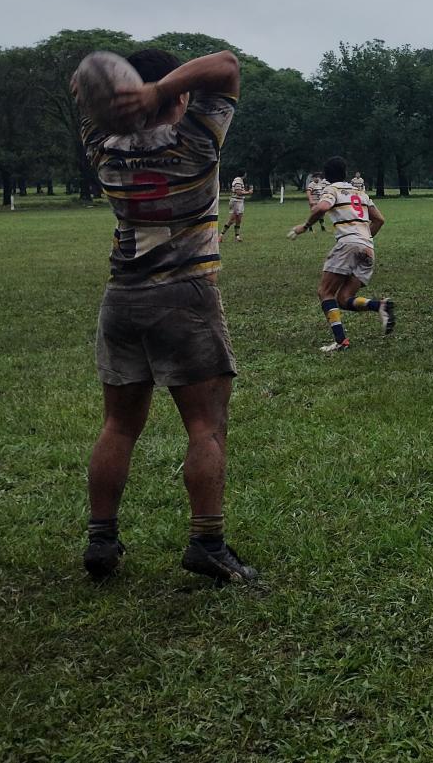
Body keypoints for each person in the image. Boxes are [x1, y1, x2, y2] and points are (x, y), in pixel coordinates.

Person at [77, 47, 257, 584]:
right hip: (186, 299)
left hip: (121, 299)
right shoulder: (196, 141)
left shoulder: (103, 147)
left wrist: (124, 93)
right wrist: (157, 91)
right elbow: (225, 64)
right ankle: (207, 541)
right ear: (177, 95)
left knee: (118, 425)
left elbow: (83, 84)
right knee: (206, 425)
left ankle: (101, 539)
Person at [290, 155, 394, 353]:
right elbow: (379, 219)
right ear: (346, 173)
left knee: (325, 292)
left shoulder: (331, 189)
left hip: (347, 244)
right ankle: (379, 305)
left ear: (327, 176)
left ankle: (341, 342)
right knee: (344, 298)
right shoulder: (359, 192)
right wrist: (364, 239)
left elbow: (321, 207)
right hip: (368, 247)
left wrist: (304, 226)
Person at [222, 176, 252, 243]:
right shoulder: (238, 181)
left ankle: (237, 237)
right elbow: (238, 193)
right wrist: (248, 192)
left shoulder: (240, 181)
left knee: (238, 220)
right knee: (232, 220)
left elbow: (240, 191)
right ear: (244, 174)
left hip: (240, 202)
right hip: (236, 202)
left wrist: (246, 192)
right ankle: (221, 235)